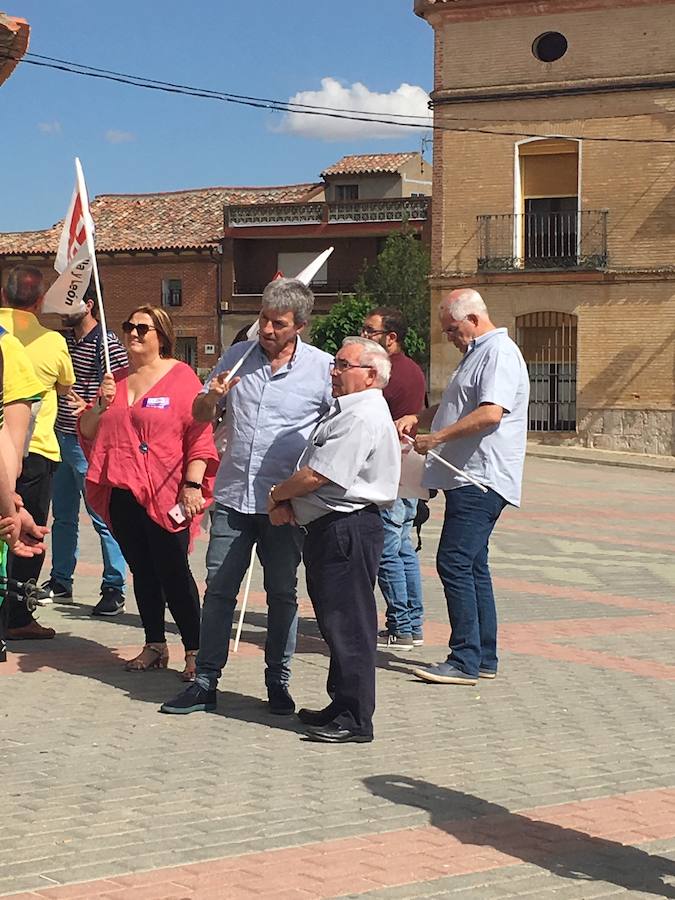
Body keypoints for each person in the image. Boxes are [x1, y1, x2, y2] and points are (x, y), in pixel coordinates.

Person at [160, 277, 332, 717]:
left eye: (278, 323)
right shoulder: (237, 358)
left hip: (283, 504)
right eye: (263, 320)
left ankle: (278, 681)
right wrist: (211, 399)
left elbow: (332, 433)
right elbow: (199, 416)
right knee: (217, 590)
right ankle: (205, 681)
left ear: (301, 325)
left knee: (282, 594)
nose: (267, 330)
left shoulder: (321, 369)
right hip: (235, 497)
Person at [267, 337, 400, 743]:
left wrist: (278, 495)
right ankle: (341, 703)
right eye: (336, 364)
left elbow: (320, 475)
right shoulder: (348, 411)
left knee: (350, 625)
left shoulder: (362, 415)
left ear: (371, 375)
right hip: (332, 527)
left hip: (348, 527)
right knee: (334, 622)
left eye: (344, 365)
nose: (334, 371)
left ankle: (357, 719)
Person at [397, 288, 529, 685]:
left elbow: (490, 413)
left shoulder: (498, 353)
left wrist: (436, 439)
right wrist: (419, 416)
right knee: (472, 565)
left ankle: (464, 659)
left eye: (453, 330)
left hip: (480, 478)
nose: (450, 338)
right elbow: (462, 404)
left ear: (472, 319)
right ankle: (483, 656)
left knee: (452, 561)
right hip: (466, 478)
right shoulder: (476, 355)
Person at [79, 305, 218, 680]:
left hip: (167, 491)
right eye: (129, 327)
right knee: (141, 570)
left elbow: (199, 436)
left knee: (174, 571)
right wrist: (101, 405)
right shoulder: (116, 381)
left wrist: (192, 485)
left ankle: (195, 649)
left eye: (143, 328)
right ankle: (155, 644)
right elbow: (88, 431)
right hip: (123, 491)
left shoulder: (182, 377)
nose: (134, 333)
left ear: (163, 335)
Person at [43, 281, 128, 615]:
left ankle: (114, 587)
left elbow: (121, 390)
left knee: (102, 517)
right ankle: (61, 580)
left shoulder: (107, 344)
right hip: (60, 437)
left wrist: (94, 408)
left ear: (89, 304)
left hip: (90, 441)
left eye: (70, 301)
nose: (63, 309)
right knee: (62, 515)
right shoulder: (63, 341)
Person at [0, 265, 75, 640]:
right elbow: (66, 385)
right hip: (35, 451)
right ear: (41, 300)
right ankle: (18, 616)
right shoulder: (52, 341)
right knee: (29, 537)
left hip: (4, 451)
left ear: (3, 295)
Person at [361, 307, 426, 651]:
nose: (364, 336)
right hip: (407, 472)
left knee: (388, 549)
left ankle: (401, 625)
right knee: (402, 548)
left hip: (391, 472)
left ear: (391, 338)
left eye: (370, 332)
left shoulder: (388, 374)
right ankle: (412, 624)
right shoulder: (415, 370)